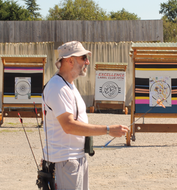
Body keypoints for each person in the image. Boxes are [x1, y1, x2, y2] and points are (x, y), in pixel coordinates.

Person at [42, 41, 129, 190]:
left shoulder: (69, 85)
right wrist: (108, 130)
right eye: (83, 57)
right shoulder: (57, 87)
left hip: (74, 159)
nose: (87, 62)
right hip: (64, 161)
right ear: (70, 60)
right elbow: (69, 126)